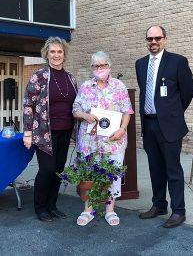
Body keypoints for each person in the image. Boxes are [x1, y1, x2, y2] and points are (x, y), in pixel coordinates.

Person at [136, 26, 193, 228]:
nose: (153, 42)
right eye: (150, 38)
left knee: (173, 169)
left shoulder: (178, 61)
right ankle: (159, 204)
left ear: (165, 39)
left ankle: (179, 211)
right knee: (155, 168)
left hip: (169, 125)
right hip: (149, 123)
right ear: (146, 40)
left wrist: (173, 114)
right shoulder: (140, 64)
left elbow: (187, 92)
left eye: (157, 38)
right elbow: (145, 91)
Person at [73, 51, 133, 226]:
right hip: (89, 142)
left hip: (113, 141)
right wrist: (85, 115)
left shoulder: (119, 86)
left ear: (109, 66)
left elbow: (127, 111)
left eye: (103, 65)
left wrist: (122, 129)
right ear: (92, 68)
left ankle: (110, 209)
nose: (100, 68)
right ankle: (89, 209)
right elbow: (75, 109)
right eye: (96, 66)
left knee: (113, 175)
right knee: (90, 174)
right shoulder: (85, 87)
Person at [23, 36, 78, 222]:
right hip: (44, 132)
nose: (56, 55)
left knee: (58, 170)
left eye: (59, 51)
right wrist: (28, 132)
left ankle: (52, 205)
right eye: (52, 51)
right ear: (46, 54)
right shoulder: (39, 76)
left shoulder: (70, 77)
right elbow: (28, 105)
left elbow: (77, 103)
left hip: (65, 130)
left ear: (64, 54)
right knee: (47, 169)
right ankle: (41, 208)